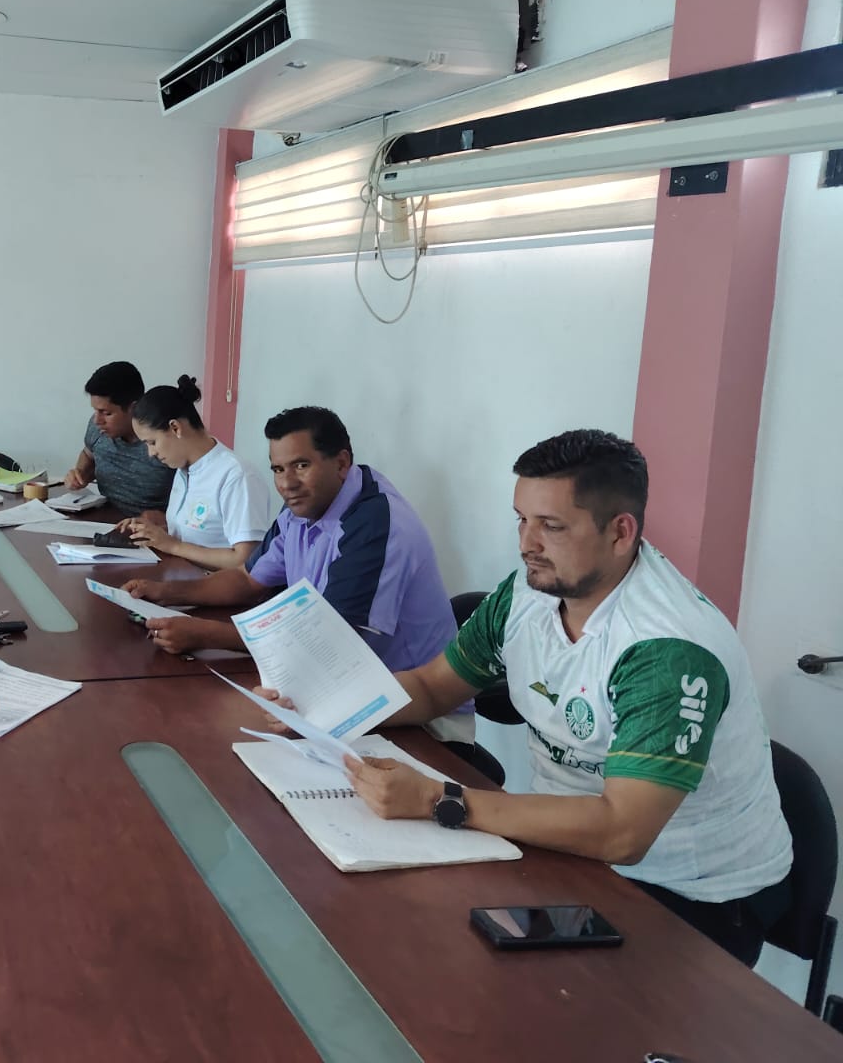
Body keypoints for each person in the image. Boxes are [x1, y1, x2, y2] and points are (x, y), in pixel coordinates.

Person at [262, 429, 792, 965]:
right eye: (522, 519)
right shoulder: (528, 592)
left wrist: (435, 799)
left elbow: (623, 832)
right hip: (559, 850)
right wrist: (324, 710)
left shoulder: (666, 649)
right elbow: (432, 686)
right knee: (400, 938)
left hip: (685, 894)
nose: (527, 544)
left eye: (551, 526)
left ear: (620, 532)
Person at [127, 406, 470, 741]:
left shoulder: (375, 523)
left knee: (214, 730)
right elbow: (248, 578)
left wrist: (205, 634)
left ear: (341, 463)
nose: (287, 483)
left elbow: (330, 639)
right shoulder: (303, 507)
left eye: (301, 466)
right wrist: (165, 594)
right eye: (278, 469)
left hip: (420, 719)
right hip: (334, 687)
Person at [114, 375, 271, 571]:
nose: (151, 453)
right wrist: (152, 533)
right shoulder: (184, 471)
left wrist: (173, 546)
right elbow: (197, 537)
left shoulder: (236, 476)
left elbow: (245, 560)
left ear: (175, 428)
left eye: (152, 442)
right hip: (179, 576)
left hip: (216, 586)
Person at [63, 361, 175, 514]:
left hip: (149, 524)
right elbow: (89, 454)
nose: (97, 420)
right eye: (95, 410)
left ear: (133, 408)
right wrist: (80, 473)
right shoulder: (98, 427)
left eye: (106, 413)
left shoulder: (163, 440)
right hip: (103, 517)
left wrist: (163, 520)